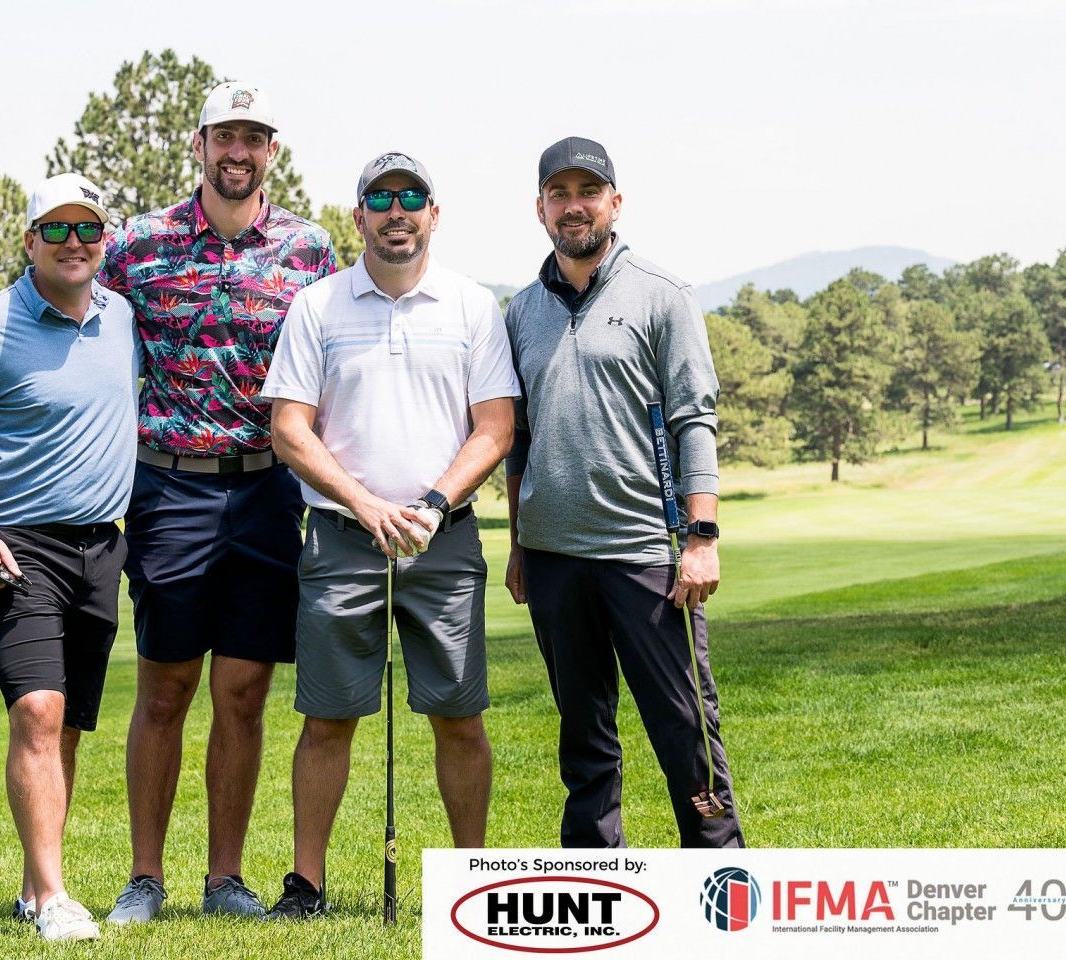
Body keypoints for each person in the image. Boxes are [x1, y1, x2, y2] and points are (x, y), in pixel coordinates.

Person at [0, 81, 336, 921]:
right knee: (164, 690)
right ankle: (144, 879)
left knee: (243, 691)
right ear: (198, 146)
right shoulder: (136, 243)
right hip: (168, 489)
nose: (237, 152)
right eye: (222, 136)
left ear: (271, 151)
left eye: (253, 138)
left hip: (268, 487)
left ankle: (224, 878)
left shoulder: (309, 249)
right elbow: (53, 282)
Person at [259, 152, 519, 918]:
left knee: (458, 714)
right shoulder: (318, 306)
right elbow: (288, 428)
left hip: (444, 537)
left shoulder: (471, 306)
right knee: (328, 715)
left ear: (433, 214)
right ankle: (306, 884)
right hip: (343, 537)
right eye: (380, 198)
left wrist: (433, 503)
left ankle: (473, 881)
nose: (395, 210)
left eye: (412, 197)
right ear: (358, 215)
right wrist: (367, 505)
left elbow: (495, 426)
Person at [0, 172, 140, 941]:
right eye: (56, 229)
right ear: (29, 240)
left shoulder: (123, 317)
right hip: (15, 547)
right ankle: (52, 898)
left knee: (68, 723)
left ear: (103, 240)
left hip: (100, 546)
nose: (73, 243)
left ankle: (30, 886)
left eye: (87, 229)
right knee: (36, 711)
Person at [503, 137, 744, 849]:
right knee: (583, 740)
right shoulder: (519, 312)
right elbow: (516, 439)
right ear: (540, 208)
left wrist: (701, 540)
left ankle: (718, 876)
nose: (572, 205)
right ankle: (594, 884)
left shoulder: (662, 295)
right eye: (559, 193)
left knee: (684, 730)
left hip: (646, 553)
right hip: (551, 556)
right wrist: (518, 546)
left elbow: (693, 420)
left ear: (614, 201)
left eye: (587, 190)